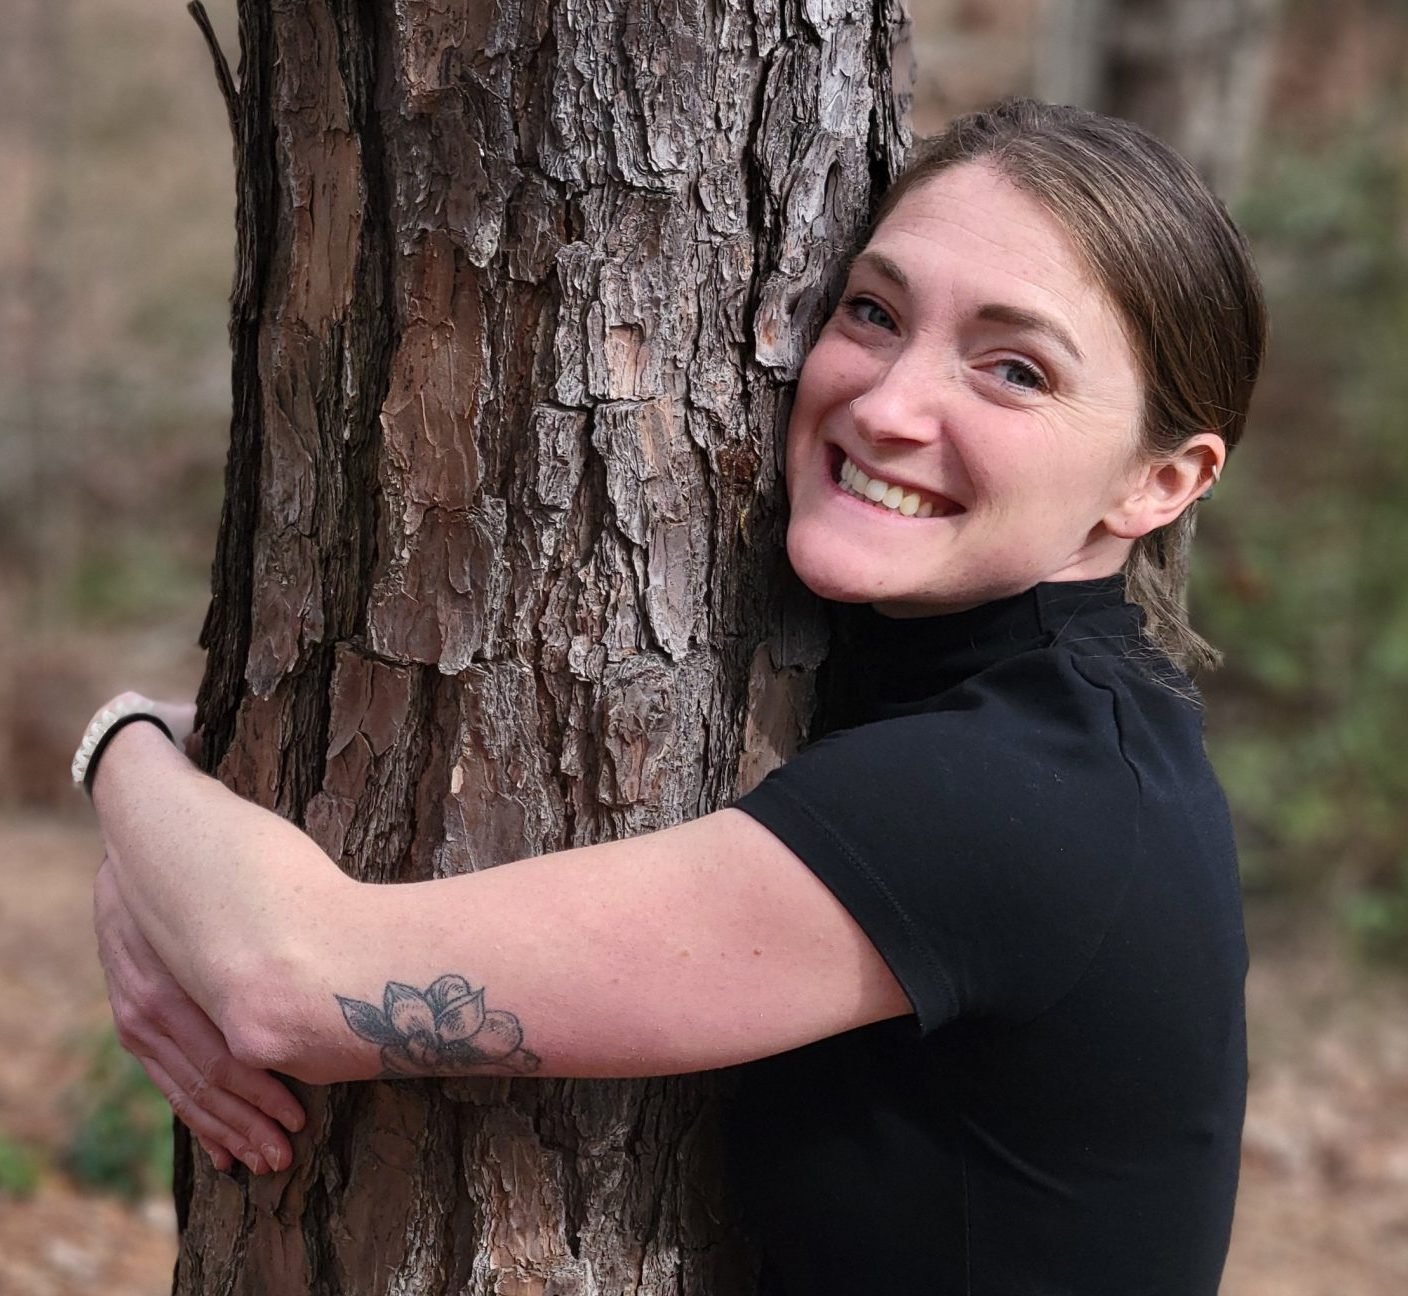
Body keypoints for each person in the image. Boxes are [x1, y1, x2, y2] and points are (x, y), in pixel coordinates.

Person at [81, 100, 1266, 1294]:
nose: (891, 405)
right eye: (873, 312)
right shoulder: (1019, 716)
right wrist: (157, 852)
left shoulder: (1017, 794)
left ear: (1159, 481)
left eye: (1014, 371)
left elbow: (287, 978)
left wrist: (117, 750)